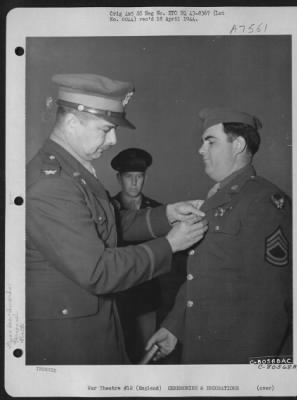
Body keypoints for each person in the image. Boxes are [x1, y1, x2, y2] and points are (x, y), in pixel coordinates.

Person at [26, 73, 207, 365]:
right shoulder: (52, 185)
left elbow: (106, 225)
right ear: (72, 123)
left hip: (89, 321)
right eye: (106, 129)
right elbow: (98, 270)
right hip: (68, 341)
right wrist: (169, 245)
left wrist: (167, 213)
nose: (113, 140)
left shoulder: (73, 170)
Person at [146, 107, 292, 364]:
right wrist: (174, 327)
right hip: (201, 347)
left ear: (238, 145)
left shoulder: (264, 202)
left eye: (210, 142)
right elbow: (202, 275)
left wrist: (247, 378)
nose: (201, 150)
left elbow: (270, 304)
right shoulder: (219, 198)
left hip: (234, 357)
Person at [111, 148, 162, 363]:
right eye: (128, 177)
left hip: (146, 294)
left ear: (145, 178)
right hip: (117, 294)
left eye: (139, 177)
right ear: (118, 178)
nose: (134, 183)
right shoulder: (108, 210)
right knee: (117, 353)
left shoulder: (159, 211)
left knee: (147, 352)